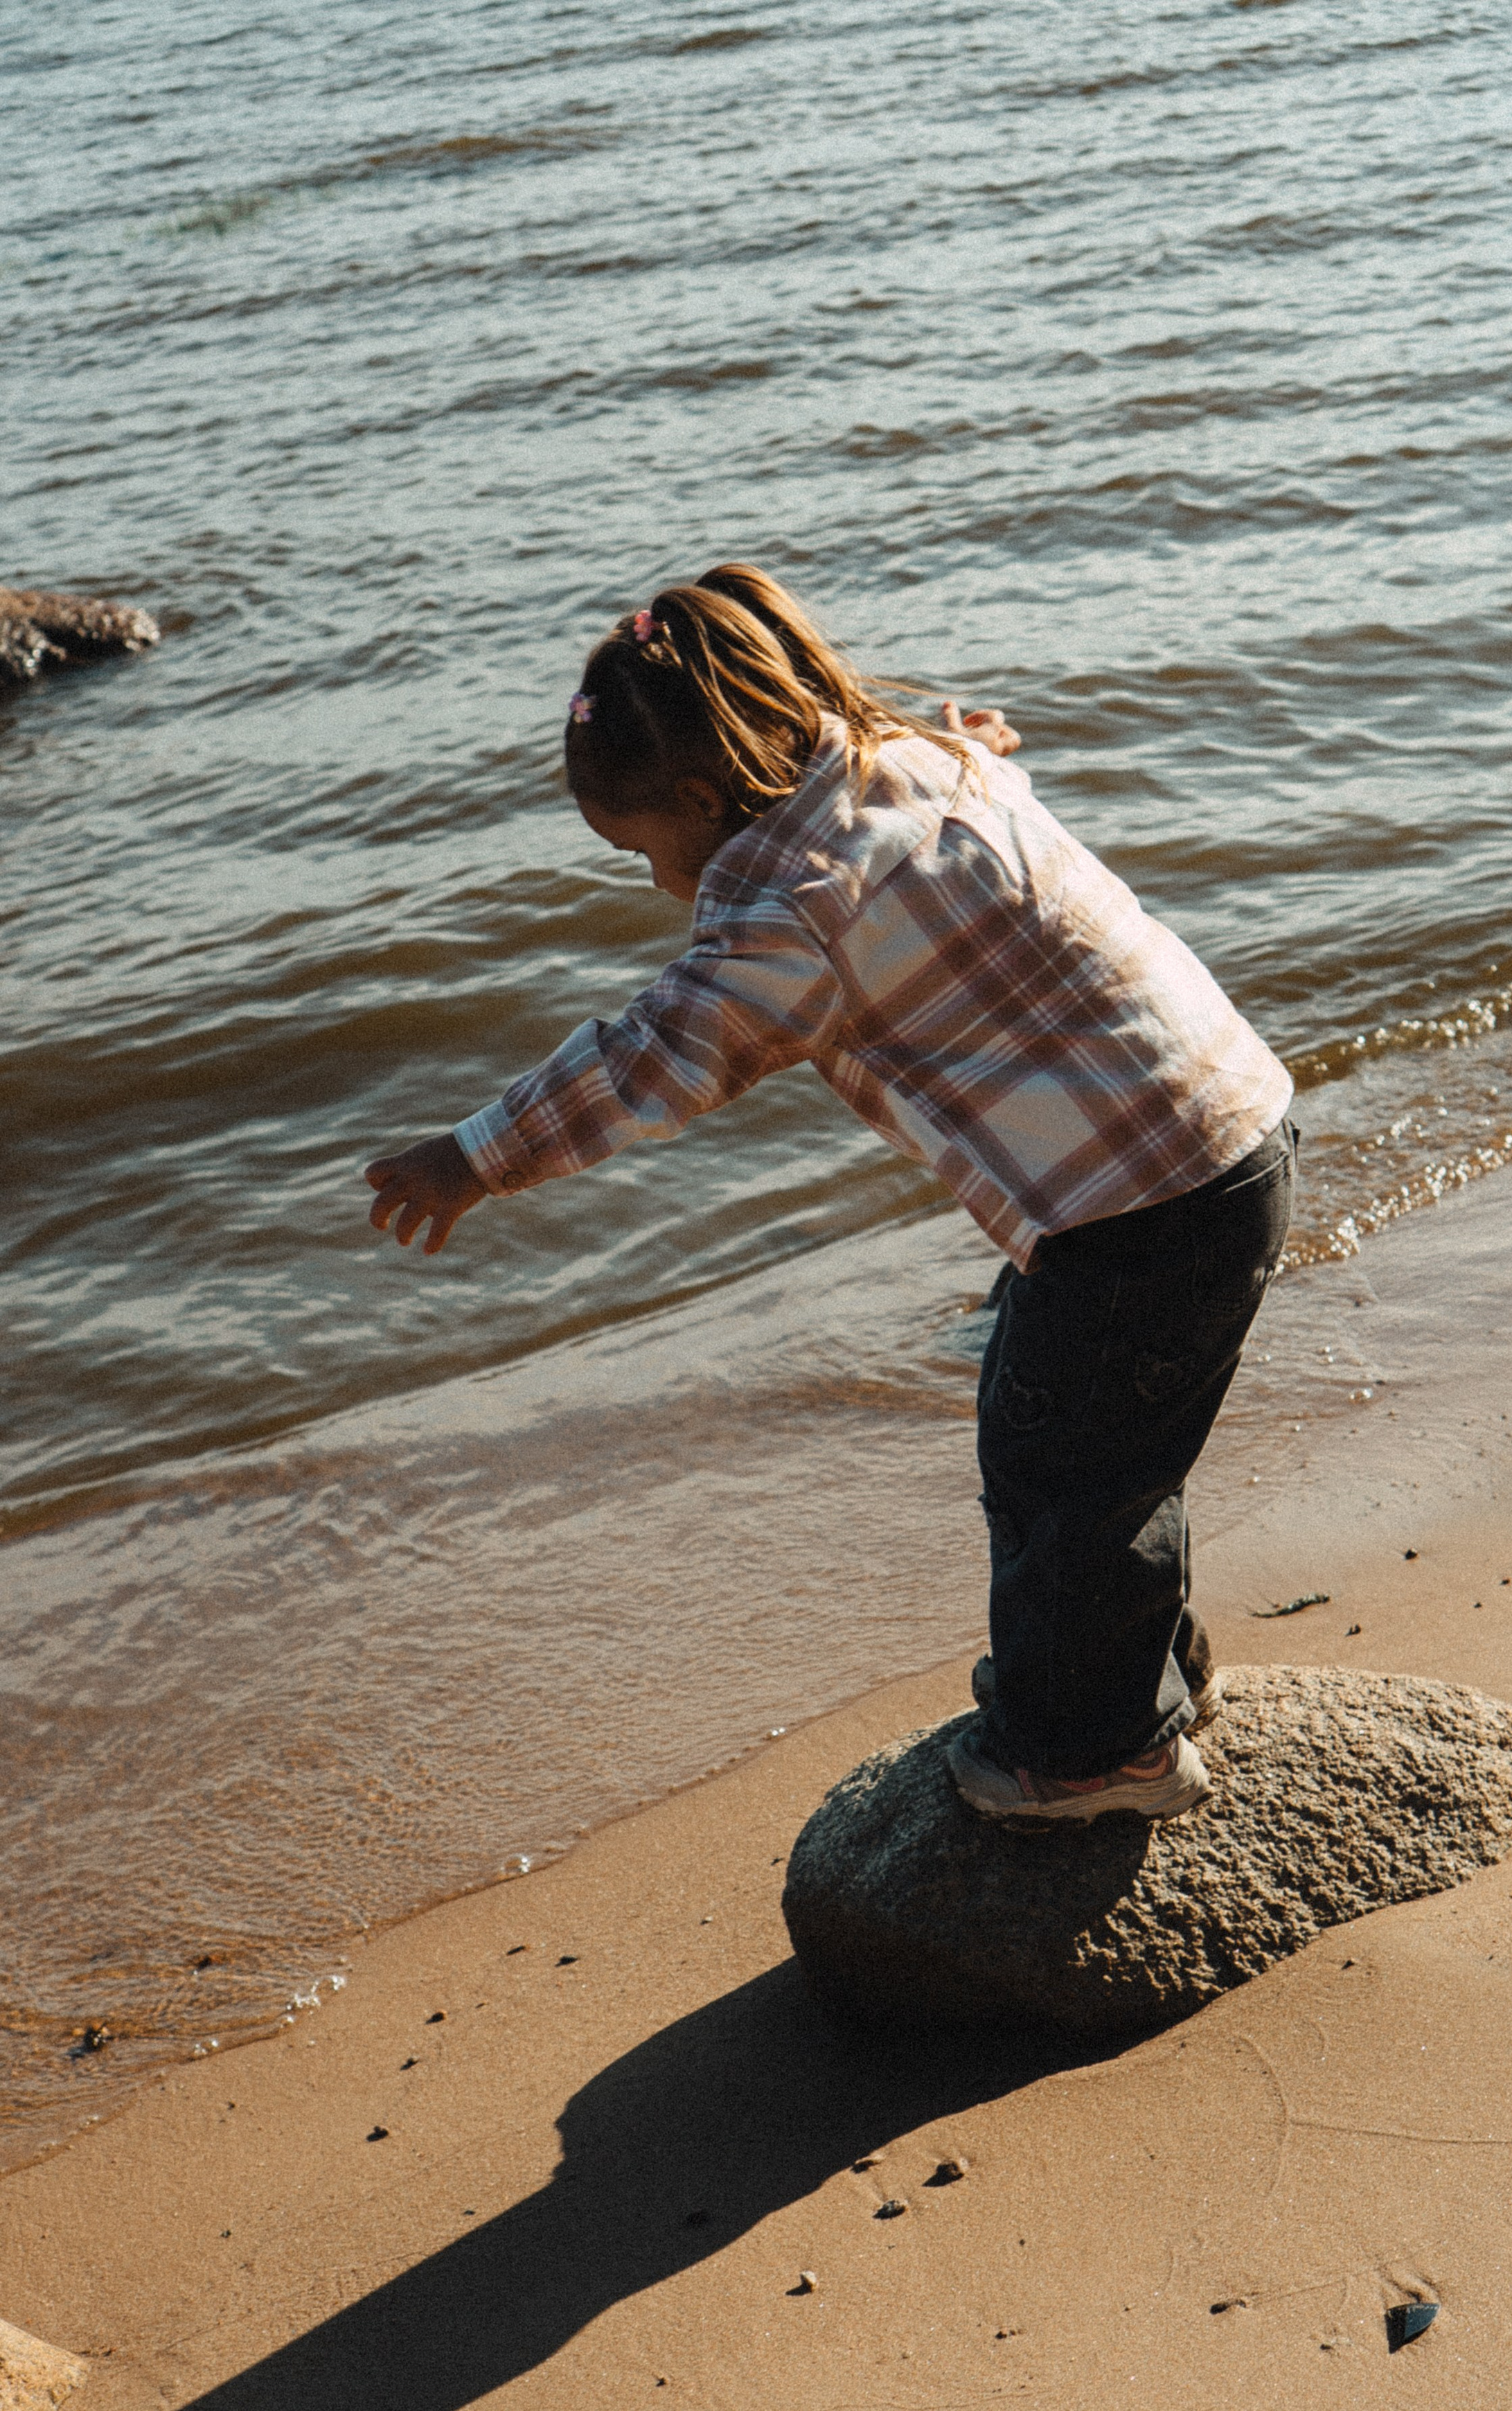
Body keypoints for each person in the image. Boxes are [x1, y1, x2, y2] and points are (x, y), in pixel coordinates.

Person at [365, 567, 1295, 1826]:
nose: (655, 887)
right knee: (1090, 1445)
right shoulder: (901, 759)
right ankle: (1141, 1681)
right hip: (1218, 1135)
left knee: (1068, 1466)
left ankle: (1091, 1757)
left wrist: (473, 1156)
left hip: (1137, 1202)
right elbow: (975, 776)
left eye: (645, 852)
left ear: (703, 799)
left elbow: (652, 1058)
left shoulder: (783, 911)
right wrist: (975, 742)